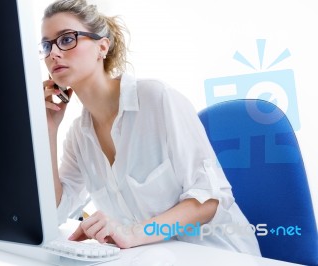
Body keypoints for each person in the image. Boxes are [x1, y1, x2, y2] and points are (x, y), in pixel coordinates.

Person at [40, 0, 261, 256]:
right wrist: (48, 129)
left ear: (102, 46)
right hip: (153, 258)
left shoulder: (157, 99)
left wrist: (132, 233)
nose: (53, 53)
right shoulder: (78, 136)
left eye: (66, 39)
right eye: (46, 45)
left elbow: (210, 198)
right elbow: (54, 213)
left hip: (219, 253)